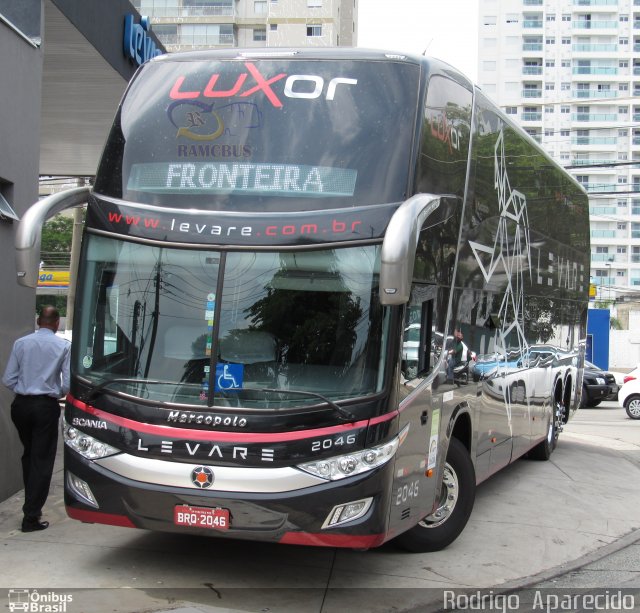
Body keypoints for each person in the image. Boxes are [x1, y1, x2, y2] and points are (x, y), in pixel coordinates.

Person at [2, 305, 70, 532]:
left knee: (29, 454)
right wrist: (54, 392)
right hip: (45, 407)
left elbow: (8, 378)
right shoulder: (63, 346)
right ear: (57, 323)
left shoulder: (21, 344)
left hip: (21, 405)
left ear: (38, 321)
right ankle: (31, 516)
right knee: (42, 460)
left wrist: (24, 389)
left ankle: (30, 503)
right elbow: (68, 385)